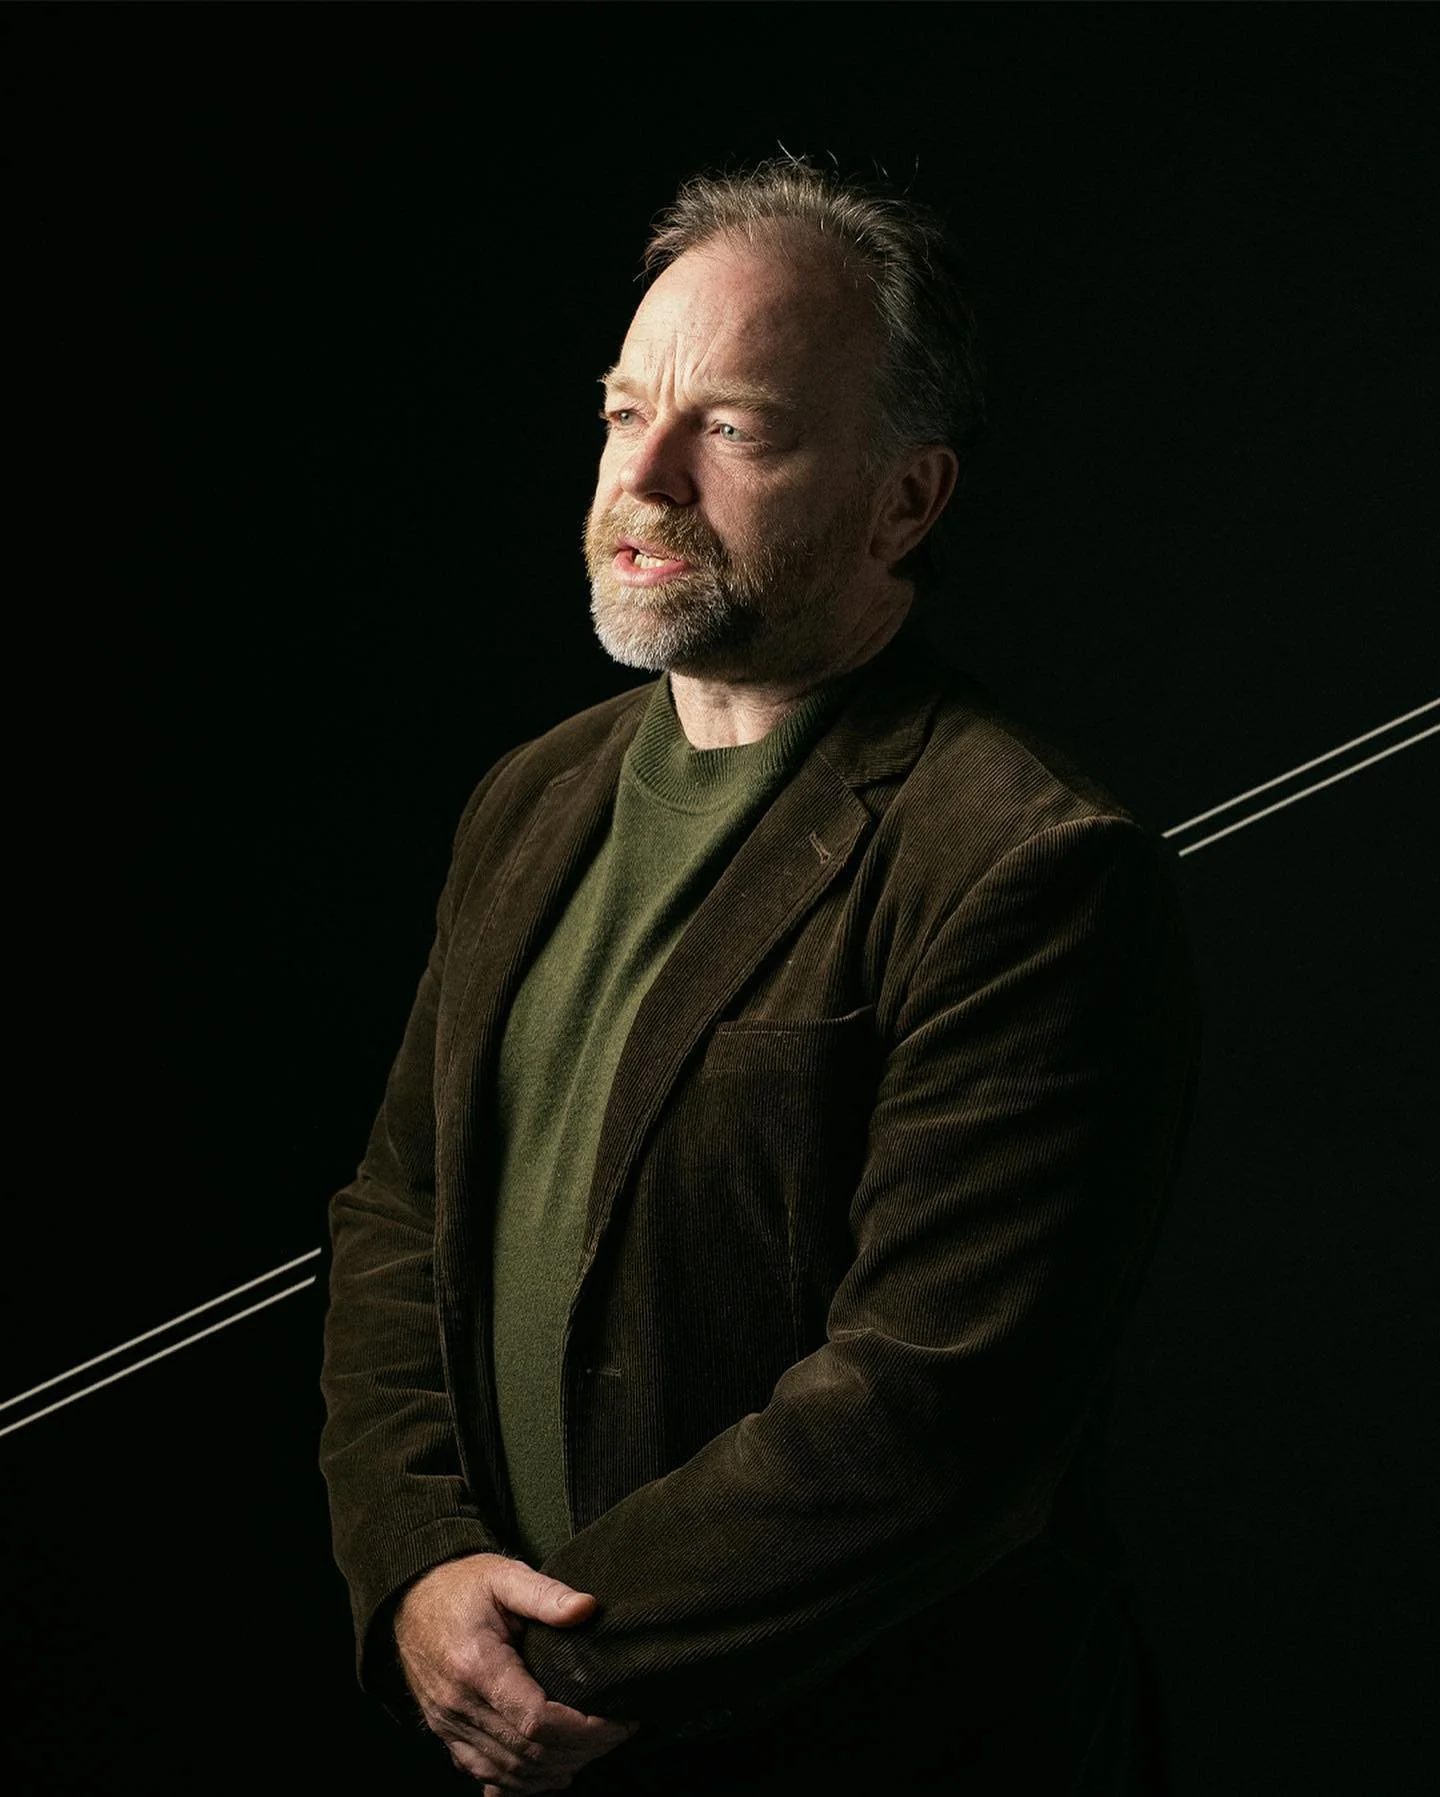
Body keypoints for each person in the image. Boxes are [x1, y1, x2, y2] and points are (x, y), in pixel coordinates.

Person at [320, 155, 1200, 1795]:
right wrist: (413, 1571)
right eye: (621, 411)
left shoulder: (1029, 864)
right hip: (546, 1736)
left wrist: (548, 1662)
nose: (641, 477)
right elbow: (393, 1216)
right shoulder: (531, 795)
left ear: (903, 502)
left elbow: (929, 1410)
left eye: (732, 429)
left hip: (876, 1754)